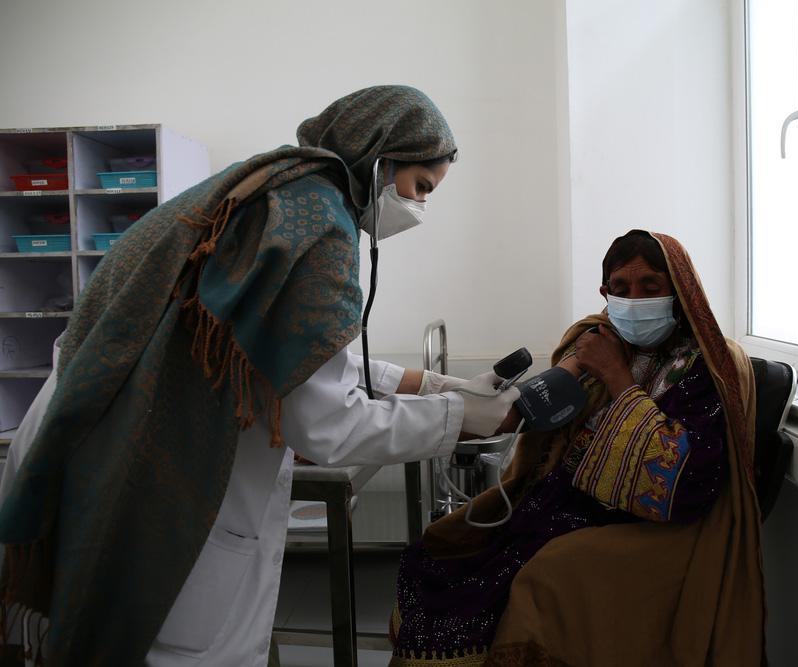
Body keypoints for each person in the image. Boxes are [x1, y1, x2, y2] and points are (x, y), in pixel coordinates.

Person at [0, 85, 519, 667]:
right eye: (421, 187)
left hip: (94, 430)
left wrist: (427, 384)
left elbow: (275, 347)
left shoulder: (269, 189)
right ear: (381, 160)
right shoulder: (320, 228)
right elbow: (325, 424)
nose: (419, 206)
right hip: (160, 472)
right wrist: (467, 419)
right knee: (169, 642)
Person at [390, 230, 765, 666]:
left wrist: (617, 379)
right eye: (621, 289)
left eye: (650, 286)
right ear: (604, 292)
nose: (635, 299)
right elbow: (533, 413)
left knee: (537, 578)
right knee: (435, 551)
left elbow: (688, 482)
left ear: (678, 289)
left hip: (652, 527)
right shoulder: (597, 341)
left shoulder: (710, 365)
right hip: (566, 503)